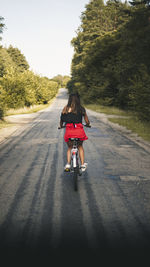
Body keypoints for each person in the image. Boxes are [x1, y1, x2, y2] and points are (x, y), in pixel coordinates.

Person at [59, 93, 90, 172]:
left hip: (69, 132)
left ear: (69, 100)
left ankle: (68, 164)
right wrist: (87, 124)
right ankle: (82, 164)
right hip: (79, 131)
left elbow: (61, 120)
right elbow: (87, 121)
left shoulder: (65, 108)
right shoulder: (81, 109)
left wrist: (61, 126)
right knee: (80, 146)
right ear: (78, 99)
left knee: (70, 148)